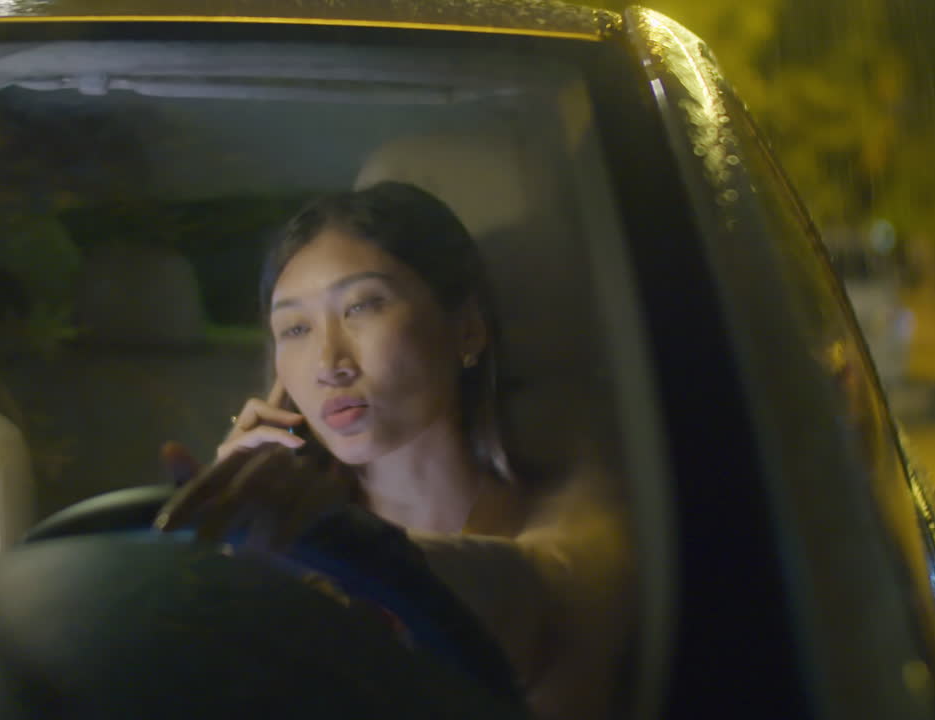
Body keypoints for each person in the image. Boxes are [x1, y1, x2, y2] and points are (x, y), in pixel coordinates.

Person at [158, 181, 636, 720]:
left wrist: (331, 548)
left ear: (468, 330)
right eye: (294, 328)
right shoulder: (270, 535)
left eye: (362, 305)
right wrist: (234, 556)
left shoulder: (571, 517)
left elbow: (521, 590)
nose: (327, 362)